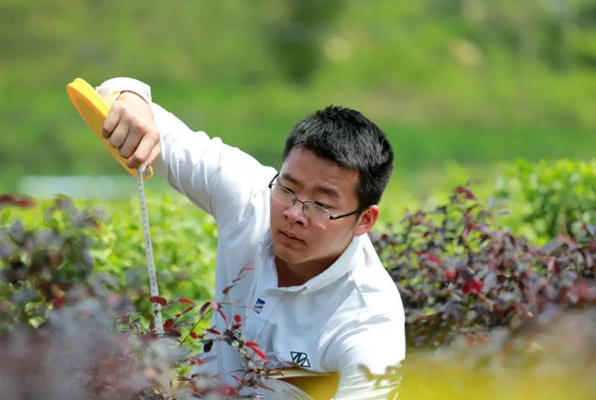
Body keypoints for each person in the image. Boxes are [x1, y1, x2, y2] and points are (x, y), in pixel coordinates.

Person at [97, 77, 405, 399]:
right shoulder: (249, 195)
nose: (294, 213)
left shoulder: (369, 322)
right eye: (287, 188)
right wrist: (129, 97)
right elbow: (129, 107)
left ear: (364, 220)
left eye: (321, 205)